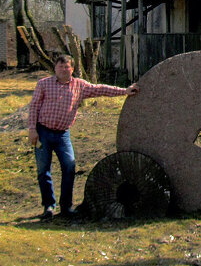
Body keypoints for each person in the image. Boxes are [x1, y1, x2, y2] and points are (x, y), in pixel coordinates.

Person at [27, 54, 138, 219]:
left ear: (72, 69)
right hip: (43, 132)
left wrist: (125, 91)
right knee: (44, 170)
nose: (64, 70)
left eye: (67, 67)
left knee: (69, 167)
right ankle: (49, 206)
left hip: (63, 134)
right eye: (60, 67)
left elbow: (100, 89)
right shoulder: (44, 84)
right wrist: (32, 130)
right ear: (55, 68)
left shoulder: (79, 85)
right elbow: (34, 106)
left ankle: (66, 207)